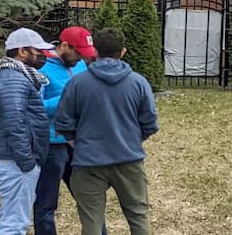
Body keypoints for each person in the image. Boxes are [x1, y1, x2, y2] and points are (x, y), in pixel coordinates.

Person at [54, 27, 159, 235]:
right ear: (123, 52)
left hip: (88, 161)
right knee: (138, 217)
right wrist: (132, 140)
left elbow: (63, 122)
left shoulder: (77, 83)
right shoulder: (138, 83)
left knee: (91, 222)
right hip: (128, 159)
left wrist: (78, 142)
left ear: (95, 51)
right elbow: (150, 123)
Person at [35, 26, 97, 235]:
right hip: (52, 145)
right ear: (63, 45)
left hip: (77, 143)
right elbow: (36, 106)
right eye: (77, 52)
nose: (80, 58)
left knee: (89, 199)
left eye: (84, 54)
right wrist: (66, 99)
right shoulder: (41, 68)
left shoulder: (80, 65)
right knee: (46, 203)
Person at [0, 28, 52, 235]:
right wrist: (26, 162)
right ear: (22, 51)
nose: (43, 55)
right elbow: (14, 120)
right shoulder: (14, 79)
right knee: (14, 224)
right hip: (13, 162)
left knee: (9, 220)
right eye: (38, 51)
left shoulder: (15, 76)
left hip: (10, 158)